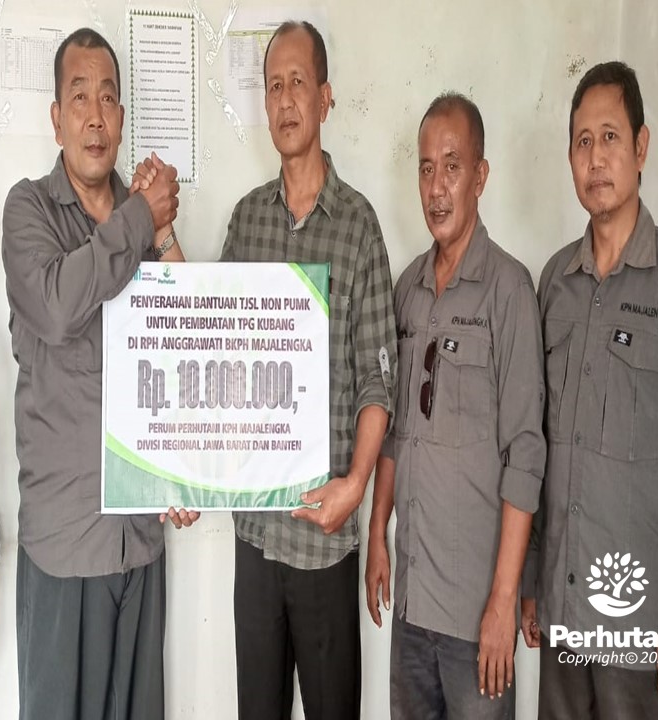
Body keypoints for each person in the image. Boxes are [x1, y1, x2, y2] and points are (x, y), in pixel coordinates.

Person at [521, 61, 658, 719]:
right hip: (564, 617)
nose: (596, 157)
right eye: (582, 141)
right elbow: (537, 447)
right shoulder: (555, 283)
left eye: (610, 136)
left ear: (641, 146)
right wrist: (531, 577)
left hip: (643, 635)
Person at [1, 28, 192, 720]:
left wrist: (186, 468)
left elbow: (185, 338)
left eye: (108, 98)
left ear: (122, 117)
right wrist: (140, 217)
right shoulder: (27, 210)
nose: (95, 115)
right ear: (56, 119)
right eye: (79, 97)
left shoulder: (143, 220)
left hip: (139, 542)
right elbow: (57, 308)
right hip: (65, 546)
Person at [219, 21, 397, 720]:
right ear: (265, 104)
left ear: (325, 98)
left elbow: (378, 379)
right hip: (257, 535)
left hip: (325, 538)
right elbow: (212, 347)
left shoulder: (357, 226)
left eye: (298, 82)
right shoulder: (247, 222)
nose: (286, 99)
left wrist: (357, 486)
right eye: (274, 86)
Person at [365, 93, 545, 720]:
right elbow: (394, 431)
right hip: (413, 604)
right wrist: (377, 533)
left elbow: (526, 454)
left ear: (481, 176)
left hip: (476, 617)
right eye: (425, 168)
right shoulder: (408, 290)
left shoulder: (509, 290)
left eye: (452, 166)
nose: (437, 187)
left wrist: (503, 601)